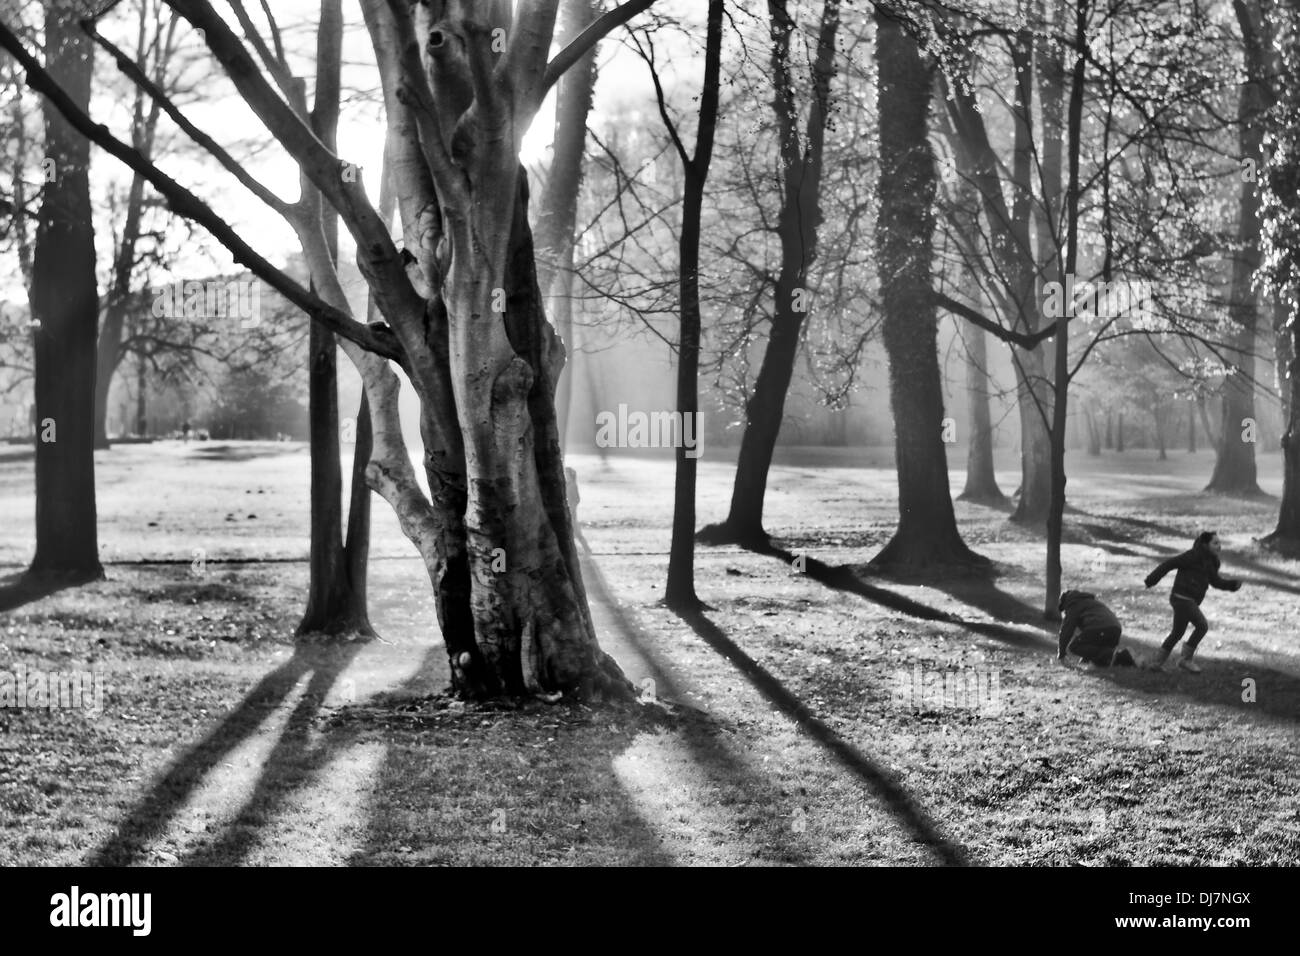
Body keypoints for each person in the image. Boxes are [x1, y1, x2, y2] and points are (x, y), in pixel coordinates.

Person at [1144, 530, 1242, 673]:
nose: (1219, 546)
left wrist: (1232, 585)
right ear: (1205, 544)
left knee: (1177, 632)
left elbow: (1215, 582)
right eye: (1215, 543)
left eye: (1219, 543)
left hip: (1189, 600)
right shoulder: (1192, 556)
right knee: (1202, 626)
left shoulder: (1211, 562)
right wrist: (1151, 579)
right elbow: (1169, 564)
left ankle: (1156, 663)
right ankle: (1185, 660)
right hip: (1182, 598)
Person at [1057, 590, 1135, 667]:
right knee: (1100, 662)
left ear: (1065, 603)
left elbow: (1066, 630)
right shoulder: (1089, 602)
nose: (1065, 612)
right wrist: (1085, 659)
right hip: (1115, 630)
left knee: (1075, 646)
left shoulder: (1074, 605)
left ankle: (1116, 656)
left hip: (1102, 629)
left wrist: (1061, 654)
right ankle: (1126, 660)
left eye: (1064, 609)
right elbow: (1089, 640)